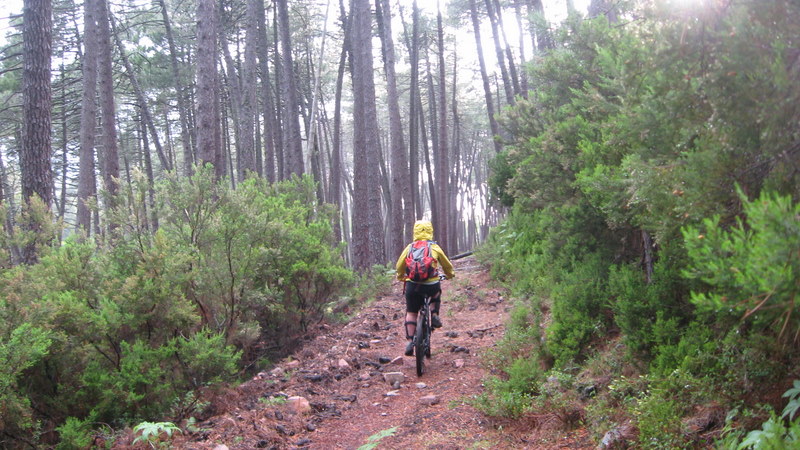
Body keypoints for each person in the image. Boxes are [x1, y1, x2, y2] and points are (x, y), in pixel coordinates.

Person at [395, 220, 455, 356]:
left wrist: (400, 277)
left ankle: (410, 341)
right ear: (430, 231)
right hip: (431, 284)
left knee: (411, 312)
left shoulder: (409, 248)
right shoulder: (434, 247)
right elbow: (446, 264)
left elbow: (399, 265)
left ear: (415, 231)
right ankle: (434, 315)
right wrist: (450, 275)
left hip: (413, 285)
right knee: (436, 294)